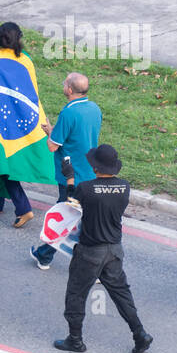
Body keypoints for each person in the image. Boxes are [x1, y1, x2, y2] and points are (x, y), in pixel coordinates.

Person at [52, 145, 153, 353]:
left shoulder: (86, 188)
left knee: (76, 294)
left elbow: (71, 204)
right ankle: (140, 333)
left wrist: (69, 178)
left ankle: (75, 340)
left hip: (89, 251)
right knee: (121, 294)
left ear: (95, 167)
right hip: (114, 250)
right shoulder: (125, 187)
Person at [31, 72, 102, 269]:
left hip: (70, 174)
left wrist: (50, 136)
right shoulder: (94, 109)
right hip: (89, 171)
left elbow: (53, 147)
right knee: (81, 218)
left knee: (65, 217)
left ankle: (45, 256)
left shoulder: (68, 112)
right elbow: (79, 137)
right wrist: (54, 132)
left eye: (65, 83)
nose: (63, 85)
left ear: (69, 89)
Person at [0, 22, 42, 229]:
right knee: (2, 163)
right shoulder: (26, 60)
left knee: (2, 164)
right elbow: (32, 93)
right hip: (22, 123)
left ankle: (23, 208)